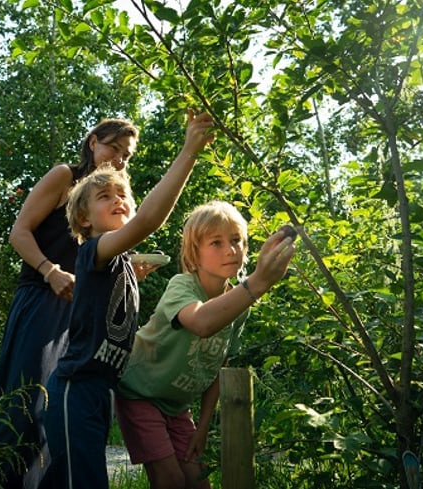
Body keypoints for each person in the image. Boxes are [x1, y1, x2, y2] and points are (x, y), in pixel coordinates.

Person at [41, 110, 216, 489]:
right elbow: (149, 220)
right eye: (104, 196)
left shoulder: (121, 263)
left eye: (122, 194)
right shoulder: (94, 250)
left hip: (100, 391)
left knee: (80, 478)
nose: (117, 199)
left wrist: (128, 276)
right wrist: (189, 152)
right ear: (85, 220)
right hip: (76, 387)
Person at [0, 118, 143, 489]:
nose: (118, 160)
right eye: (113, 149)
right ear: (93, 142)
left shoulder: (109, 202)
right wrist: (49, 270)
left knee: (59, 410)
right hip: (40, 298)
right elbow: (18, 232)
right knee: (25, 400)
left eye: (126, 156)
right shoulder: (64, 177)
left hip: (77, 313)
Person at [114, 201, 296, 489]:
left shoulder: (238, 301)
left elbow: (217, 365)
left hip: (177, 407)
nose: (230, 250)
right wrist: (258, 283)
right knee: (170, 480)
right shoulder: (181, 286)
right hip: (140, 394)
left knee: (199, 482)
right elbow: (201, 323)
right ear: (193, 254)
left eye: (236, 240)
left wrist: (202, 426)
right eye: (216, 242)